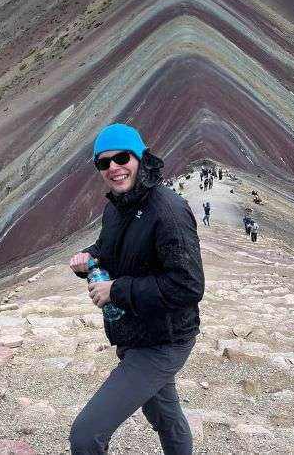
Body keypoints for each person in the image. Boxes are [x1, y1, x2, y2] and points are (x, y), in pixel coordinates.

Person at [68, 123, 204, 455]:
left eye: (122, 157)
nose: (114, 167)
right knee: (163, 414)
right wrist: (90, 257)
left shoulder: (167, 211)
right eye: (104, 162)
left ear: (140, 157)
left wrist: (117, 290)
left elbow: (187, 285)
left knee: (86, 435)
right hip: (138, 332)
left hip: (163, 340)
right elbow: (108, 247)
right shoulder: (117, 206)